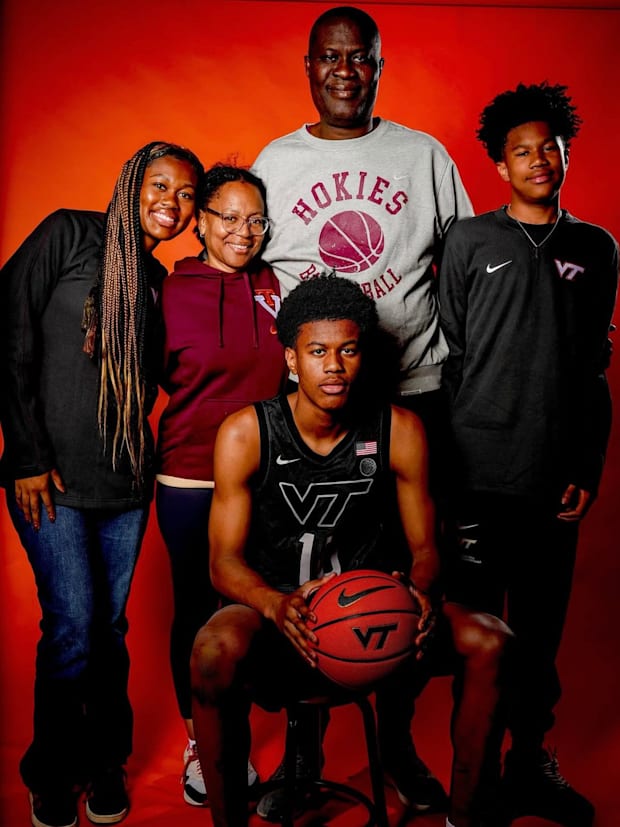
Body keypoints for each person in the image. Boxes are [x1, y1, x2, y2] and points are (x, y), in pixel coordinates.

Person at [251, 5, 473, 813]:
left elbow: (470, 258)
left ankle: (402, 742)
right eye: (331, 59)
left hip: (415, 391)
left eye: (362, 59)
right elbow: (238, 258)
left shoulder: (423, 154)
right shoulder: (278, 160)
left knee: (410, 577)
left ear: (380, 65)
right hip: (313, 409)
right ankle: (303, 755)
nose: (347, 72)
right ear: (308, 66)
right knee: (306, 570)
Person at [190, 275, 513, 827]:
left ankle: (466, 817)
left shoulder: (401, 428)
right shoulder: (247, 433)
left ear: (363, 355)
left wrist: (421, 590)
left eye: (347, 350)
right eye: (318, 352)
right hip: (278, 609)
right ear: (292, 358)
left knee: (491, 640)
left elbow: (425, 546)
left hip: (371, 606)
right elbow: (222, 563)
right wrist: (274, 605)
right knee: (213, 649)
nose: (334, 365)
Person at [0, 141, 203, 827]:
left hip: (125, 484)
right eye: (159, 184)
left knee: (109, 629)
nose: (170, 203)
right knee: (72, 627)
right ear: (129, 183)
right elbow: (9, 330)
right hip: (49, 479)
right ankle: (51, 769)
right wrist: (25, 454)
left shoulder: (155, 278)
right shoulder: (68, 233)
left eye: (185, 195)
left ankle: (104, 761)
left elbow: (169, 375)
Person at [438, 82, 618, 827]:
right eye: (523, 150)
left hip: (553, 480)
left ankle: (529, 762)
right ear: (500, 166)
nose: (540, 159)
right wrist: (446, 478)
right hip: (479, 476)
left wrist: (588, 466)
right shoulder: (470, 242)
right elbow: (451, 356)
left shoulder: (596, 246)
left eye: (551, 146)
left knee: (540, 636)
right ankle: (471, 777)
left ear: (565, 153)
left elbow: (595, 367)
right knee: (480, 637)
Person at [155, 164, 287, 806]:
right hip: (190, 474)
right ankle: (200, 744)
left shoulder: (275, 281)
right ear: (201, 222)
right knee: (198, 610)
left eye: (255, 220)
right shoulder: (167, 291)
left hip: (269, 478)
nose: (243, 232)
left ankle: (279, 741)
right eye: (228, 218)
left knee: (266, 603)